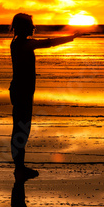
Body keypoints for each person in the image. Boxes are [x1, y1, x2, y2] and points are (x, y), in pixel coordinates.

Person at [9, 13, 81, 179]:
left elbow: (46, 43)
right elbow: (48, 43)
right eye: (30, 25)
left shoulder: (18, 43)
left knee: (20, 130)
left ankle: (19, 167)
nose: (33, 28)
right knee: (21, 130)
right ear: (23, 27)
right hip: (22, 92)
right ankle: (19, 168)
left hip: (21, 91)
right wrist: (72, 37)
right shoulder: (22, 44)